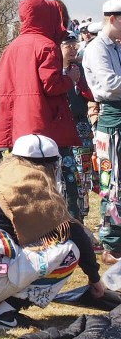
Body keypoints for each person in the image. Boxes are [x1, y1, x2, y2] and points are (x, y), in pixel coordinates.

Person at [0, 135, 104, 330]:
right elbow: (75, 235)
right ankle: (5, 313)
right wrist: (95, 279)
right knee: (69, 251)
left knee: (7, 246)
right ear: (48, 164)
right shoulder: (30, 184)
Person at [0, 0, 79, 158]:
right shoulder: (47, 46)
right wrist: (70, 78)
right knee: (54, 174)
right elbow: (52, 85)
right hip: (43, 123)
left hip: (16, 124)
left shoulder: (11, 47)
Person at [83, 0, 121, 264]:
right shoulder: (97, 48)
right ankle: (111, 245)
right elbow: (109, 86)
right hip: (110, 119)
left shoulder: (116, 48)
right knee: (111, 181)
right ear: (113, 18)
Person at [60, 31, 93, 220]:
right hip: (62, 131)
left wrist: (78, 80)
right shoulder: (54, 70)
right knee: (66, 177)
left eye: (75, 45)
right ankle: (66, 218)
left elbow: (91, 95)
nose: (73, 49)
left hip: (81, 128)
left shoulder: (79, 68)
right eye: (68, 46)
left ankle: (81, 219)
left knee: (83, 178)